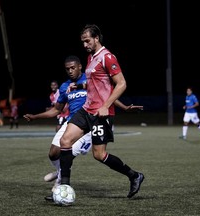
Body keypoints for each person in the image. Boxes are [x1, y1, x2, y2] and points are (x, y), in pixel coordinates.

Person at [23, 56, 144, 197]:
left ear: (80, 66)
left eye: (73, 68)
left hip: (93, 120)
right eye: (67, 69)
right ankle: (62, 175)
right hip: (74, 121)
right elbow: (57, 110)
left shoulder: (90, 79)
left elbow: (108, 94)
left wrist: (124, 107)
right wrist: (35, 116)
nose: (70, 71)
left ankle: (62, 185)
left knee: (94, 154)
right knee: (54, 153)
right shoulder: (64, 87)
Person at [58, 24, 144, 199]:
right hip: (86, 109)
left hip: (101, 113)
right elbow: (94, 83)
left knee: (99, 155)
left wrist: (106, 105)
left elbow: (121, 84)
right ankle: (64, 189)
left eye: (87, 41)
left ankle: (134, 175)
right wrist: (79, 85)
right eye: (83, 42)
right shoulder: (90, 58)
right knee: (65, 141)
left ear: (97, 38)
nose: (85, 45)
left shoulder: (108, 57)